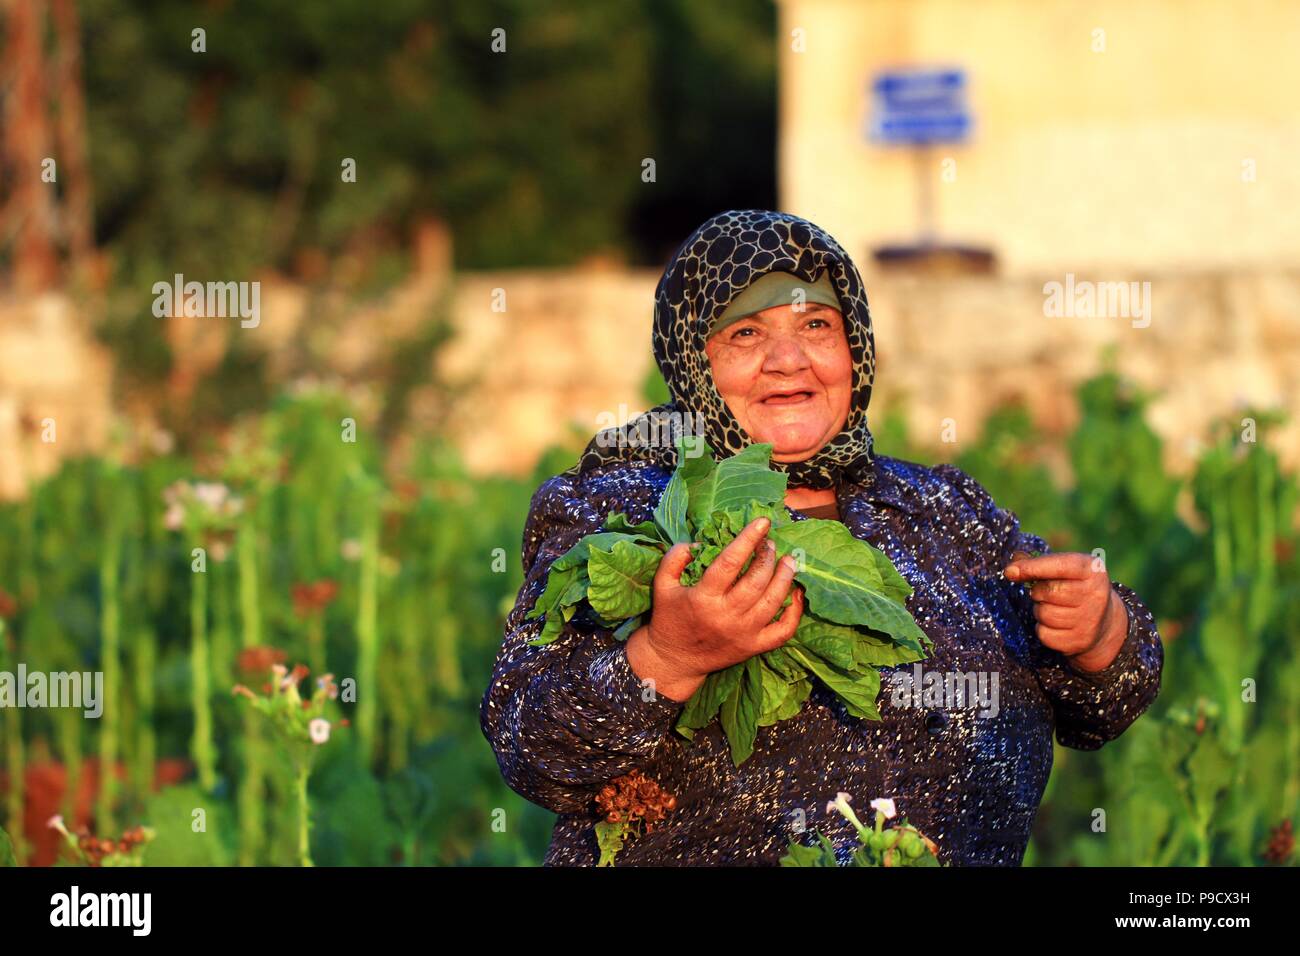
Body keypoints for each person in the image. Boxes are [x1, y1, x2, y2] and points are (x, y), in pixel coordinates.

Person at [479, 209, 1163, 866]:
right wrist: (669, 655)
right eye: (745, 334)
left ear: (855, 346)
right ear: (692, 358)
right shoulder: (618, 509)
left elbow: (1102, 707)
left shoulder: (942, 509)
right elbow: (532, 749)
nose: (788, 358)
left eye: (816, 324)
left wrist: (1100, 634)